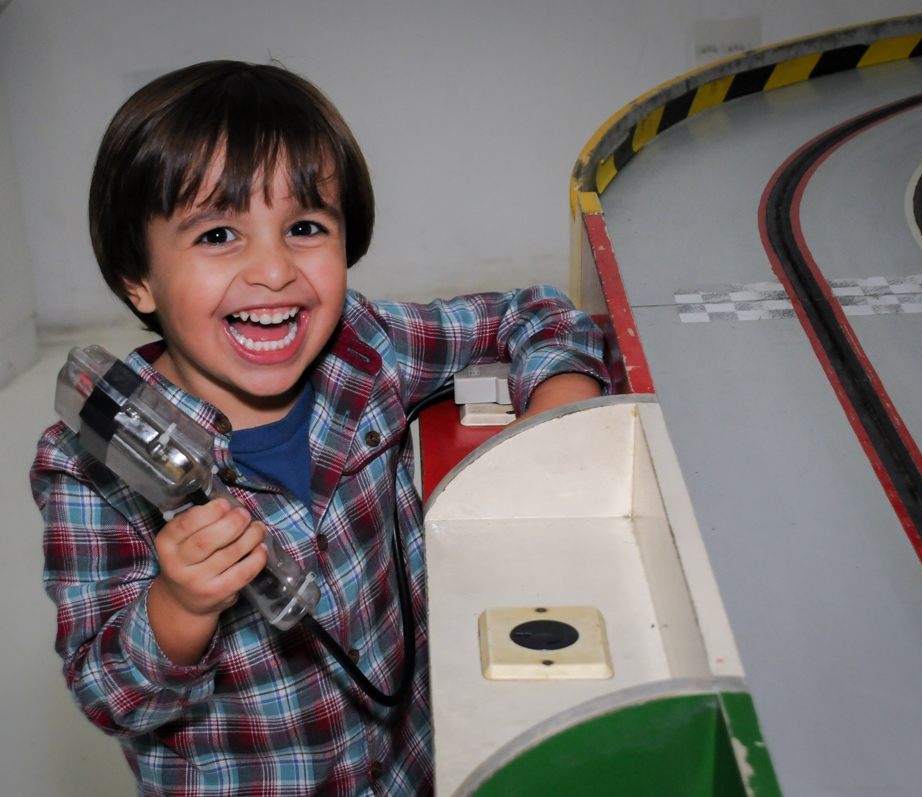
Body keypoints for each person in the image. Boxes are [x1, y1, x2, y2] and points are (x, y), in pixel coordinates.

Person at [30, 60, 609, 796]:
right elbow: (111, 694)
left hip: (417, 770)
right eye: (217, 234)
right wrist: (180, 607)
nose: (273, 269)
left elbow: (536, 313)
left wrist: (556, 409)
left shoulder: (369, 349)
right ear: (136, 277)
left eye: (304, 227)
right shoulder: (93, 467)